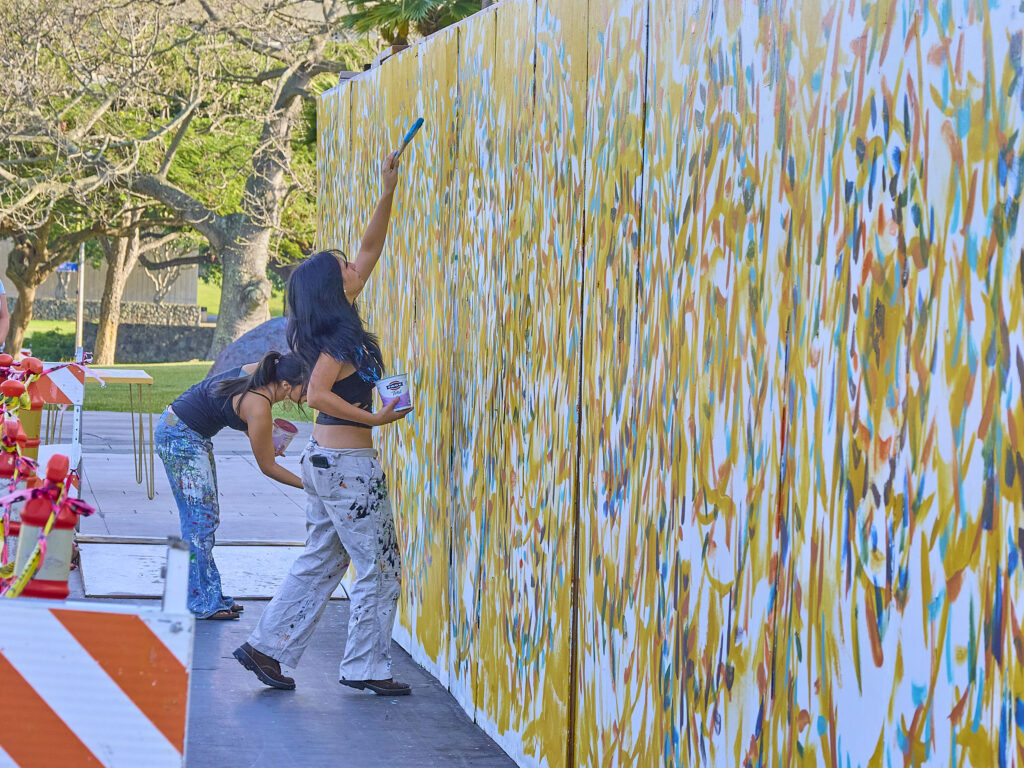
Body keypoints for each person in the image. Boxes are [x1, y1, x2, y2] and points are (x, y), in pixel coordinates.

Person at [234, 152, 410, 694]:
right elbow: (316, 394)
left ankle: (266, 648)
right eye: (345, 271)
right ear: (335, 291)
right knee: (380, 566)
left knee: (321, 560)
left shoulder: (329, 322)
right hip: (348, 466)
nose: (356, 268)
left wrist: (387, 190)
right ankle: (366, 667)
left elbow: (370, 247)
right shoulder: (340, 338)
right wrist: (375, 417)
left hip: (327, 463)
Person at [156, 351, 308, 620]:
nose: (309, 396)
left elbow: (227, 407)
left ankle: (208, 594)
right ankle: (200, 601)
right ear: (286, 386)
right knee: (199, 522)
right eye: (305, 389)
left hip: (179, 428)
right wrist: (310, 486)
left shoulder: (257, 372)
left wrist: (264, 436)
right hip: (179, 437)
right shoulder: (259, 406)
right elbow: (268, 467)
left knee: (203, 520)